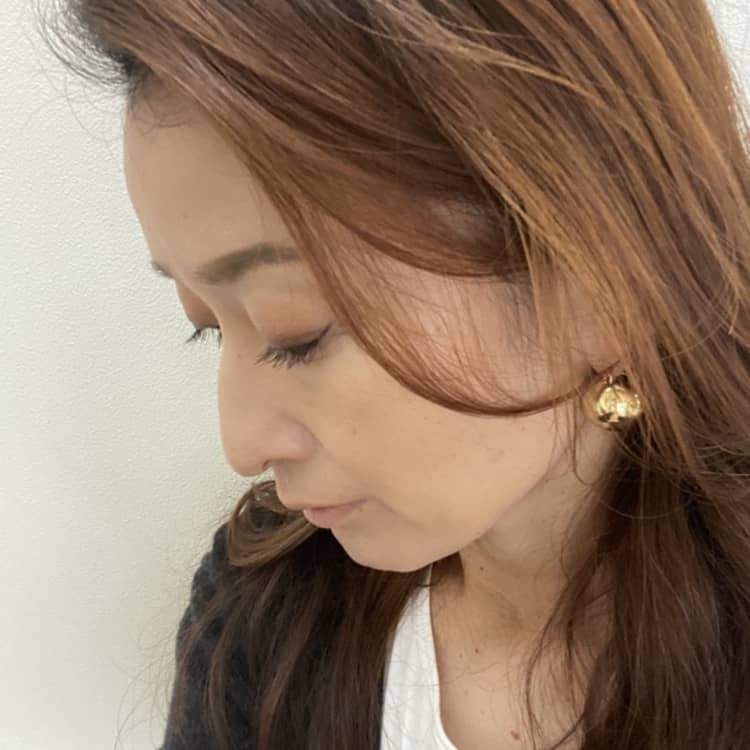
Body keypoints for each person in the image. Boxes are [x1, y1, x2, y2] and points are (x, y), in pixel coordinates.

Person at [39, 2, 750, 749]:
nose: (242, 445)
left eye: (295, 332)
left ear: (603, 283)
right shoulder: (266, 619)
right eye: (207, 326)